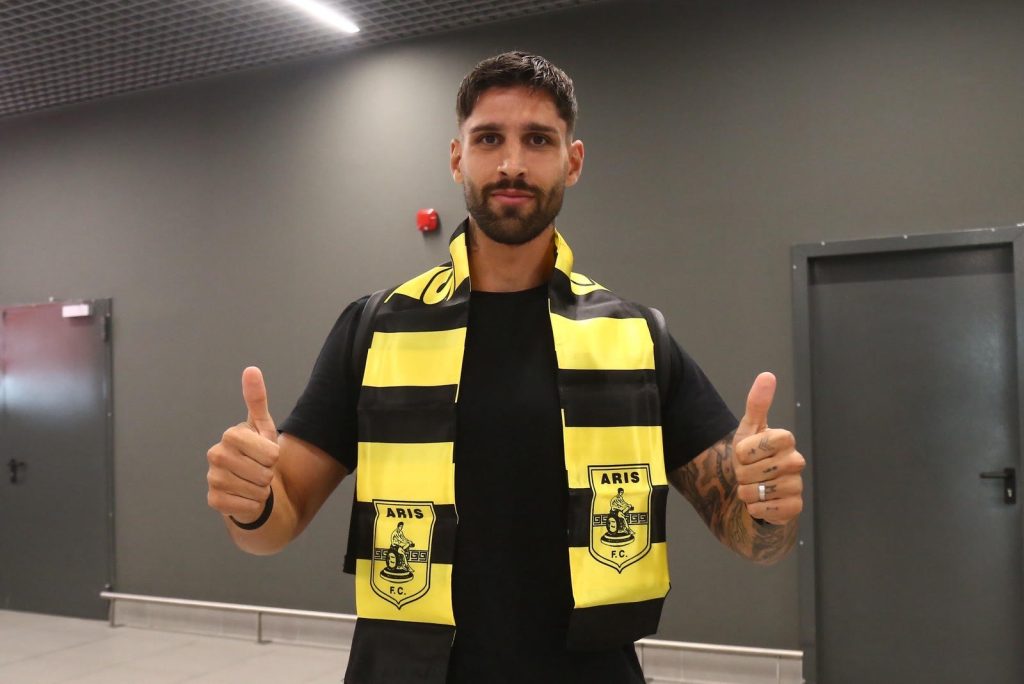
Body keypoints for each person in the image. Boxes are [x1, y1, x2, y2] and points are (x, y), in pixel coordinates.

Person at [206, 52, 805, 684]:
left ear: (572, 161)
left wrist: (768, 503)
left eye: (538, 140)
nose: (512, 163)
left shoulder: (634, 338)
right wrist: (249, 502)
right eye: (489, 138)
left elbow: (752, 536)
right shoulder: (378, 328)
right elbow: (272, 526)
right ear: (457, 157)